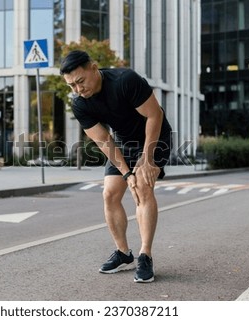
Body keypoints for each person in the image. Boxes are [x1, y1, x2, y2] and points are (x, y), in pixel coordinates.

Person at [60, 50, 172, 283]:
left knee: (142, 187)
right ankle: (123, 252)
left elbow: (155, 115)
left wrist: (147, 160)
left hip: (154, 136)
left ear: (94, 67)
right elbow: (103, 140)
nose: (78, 89)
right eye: (71, 86)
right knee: (110, 193)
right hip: (123, 141)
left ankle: (145, 255)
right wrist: (126, 172)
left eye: (80, 81)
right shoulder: (80, 103)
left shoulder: (125, 80)